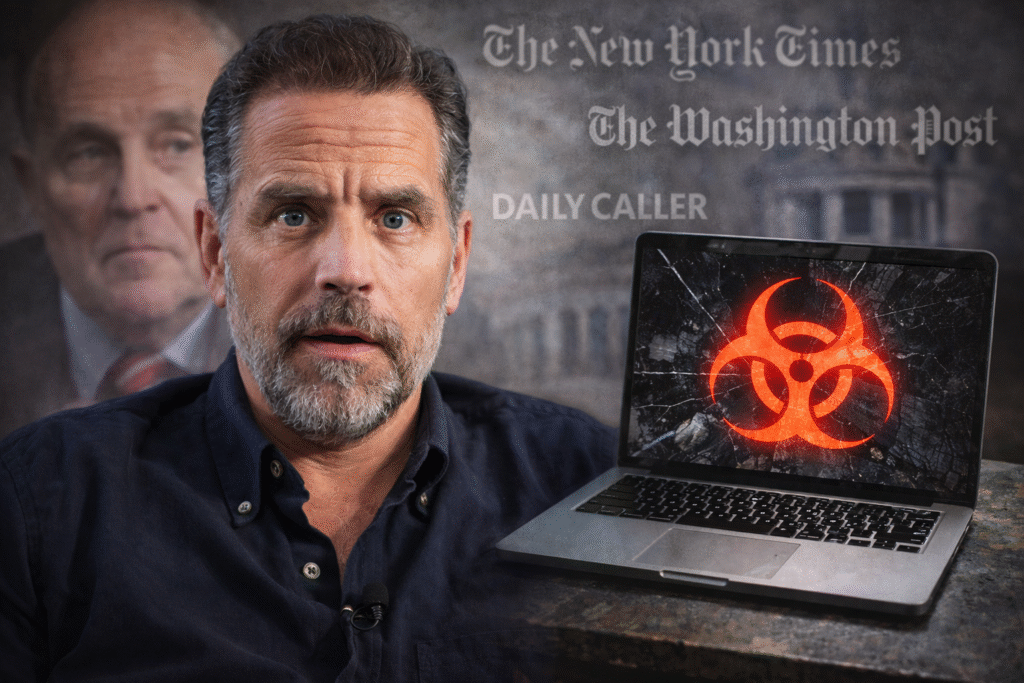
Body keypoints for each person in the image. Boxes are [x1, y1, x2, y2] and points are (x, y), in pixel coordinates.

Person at [0, 13, 617, 681]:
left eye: (395, 218)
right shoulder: (39, 507)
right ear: (214, 253)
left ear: (458, 263)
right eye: (293, 213)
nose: (346, 267)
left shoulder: (586, 486)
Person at [0, 0, 239, 437]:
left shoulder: (312, 311)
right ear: (32, 187)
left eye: (178, 145)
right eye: (88, 153)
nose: (132, 197)